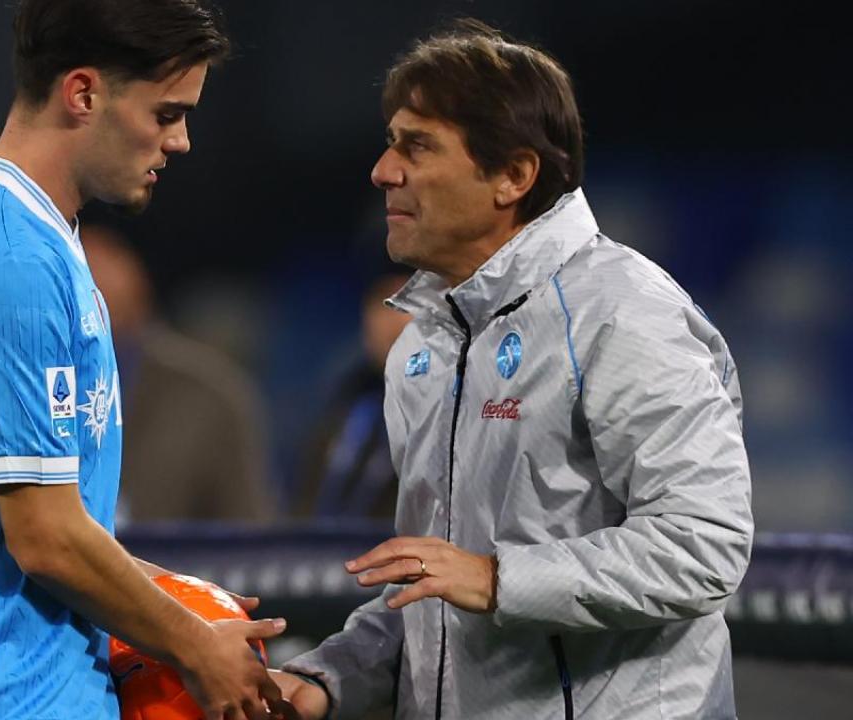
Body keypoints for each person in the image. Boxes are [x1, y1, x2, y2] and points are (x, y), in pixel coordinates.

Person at [272, 21, 752, 719]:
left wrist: (499, 579)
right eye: (390, 142)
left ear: (513, 177)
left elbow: (702, 546)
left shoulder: (624, 312)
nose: (383, 170)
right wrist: (328, 679)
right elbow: (441, 589)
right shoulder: (422, 345)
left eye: (417, 146)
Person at [0, 3, 285, 719]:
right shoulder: (10, 263)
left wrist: (178, 606)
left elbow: (45, 524)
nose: (180, 140)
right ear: (82, 93)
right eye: (166, 113)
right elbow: (46, 539)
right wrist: (193, 643)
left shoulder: (29, 238)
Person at [80, 225, 275, 526]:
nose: (90, 274)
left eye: (104, 255)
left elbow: (250, 535)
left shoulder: (209, 395)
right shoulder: (20, 389)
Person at [292, 272, 411, 523]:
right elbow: (303, 506)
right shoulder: (344, 409)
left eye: (410, 303)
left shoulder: (454, 415)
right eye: (384, 303)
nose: (394, 319)